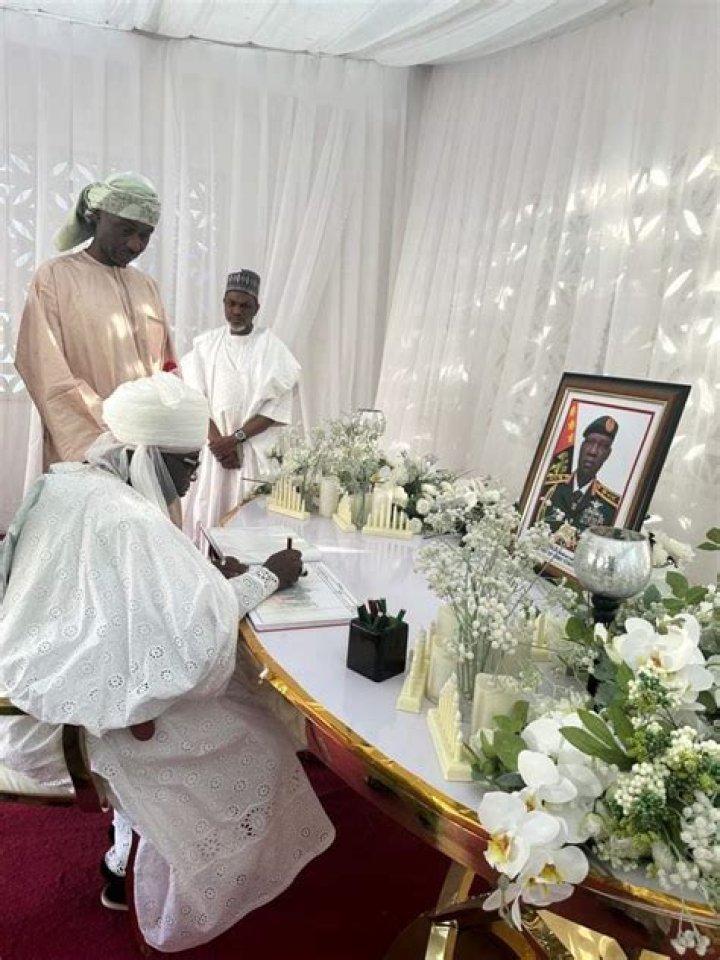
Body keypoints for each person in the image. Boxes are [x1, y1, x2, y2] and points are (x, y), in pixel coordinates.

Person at [0, 373, 334, 952]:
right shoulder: (127, 518)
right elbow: (195, 641)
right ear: (147, 455)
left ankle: (122, 854)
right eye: (187, 466)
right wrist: (267, 576)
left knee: (238, 697)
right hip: (76, 720)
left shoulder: (79, 480)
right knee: (255, 737)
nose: (192, 480)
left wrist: (204, 580)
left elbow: (142, 592)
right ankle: (167, 880)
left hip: (43, 688)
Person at [15, 172, 176, 470]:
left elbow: (168, 369)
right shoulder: (54, 278)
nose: (135, 245)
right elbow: (47, 373)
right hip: (87, 450)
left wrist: (172, 438)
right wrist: (106, 445)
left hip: (149, 450)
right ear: (97, 217)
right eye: (126, 230)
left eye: (145, 235)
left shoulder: (147, 287)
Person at [181, 270, 300, 533]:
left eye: (245, 305)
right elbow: (195, 399)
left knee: (247, 523)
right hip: (213, 453)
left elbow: (274, 409)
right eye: (231, 303)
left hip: (251, 454)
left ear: (256, 307)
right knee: (205, 516)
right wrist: (219, 444)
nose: (237, 311)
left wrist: (235, 440)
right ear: (224, 302)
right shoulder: (205, 345)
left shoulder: (272, 348)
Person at [532, 415, 622, 538]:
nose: (593, 452)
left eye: (602, 446)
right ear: (582, 446)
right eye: (590, 442)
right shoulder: (547, 487)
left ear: (608, 454)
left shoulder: (610, 508)